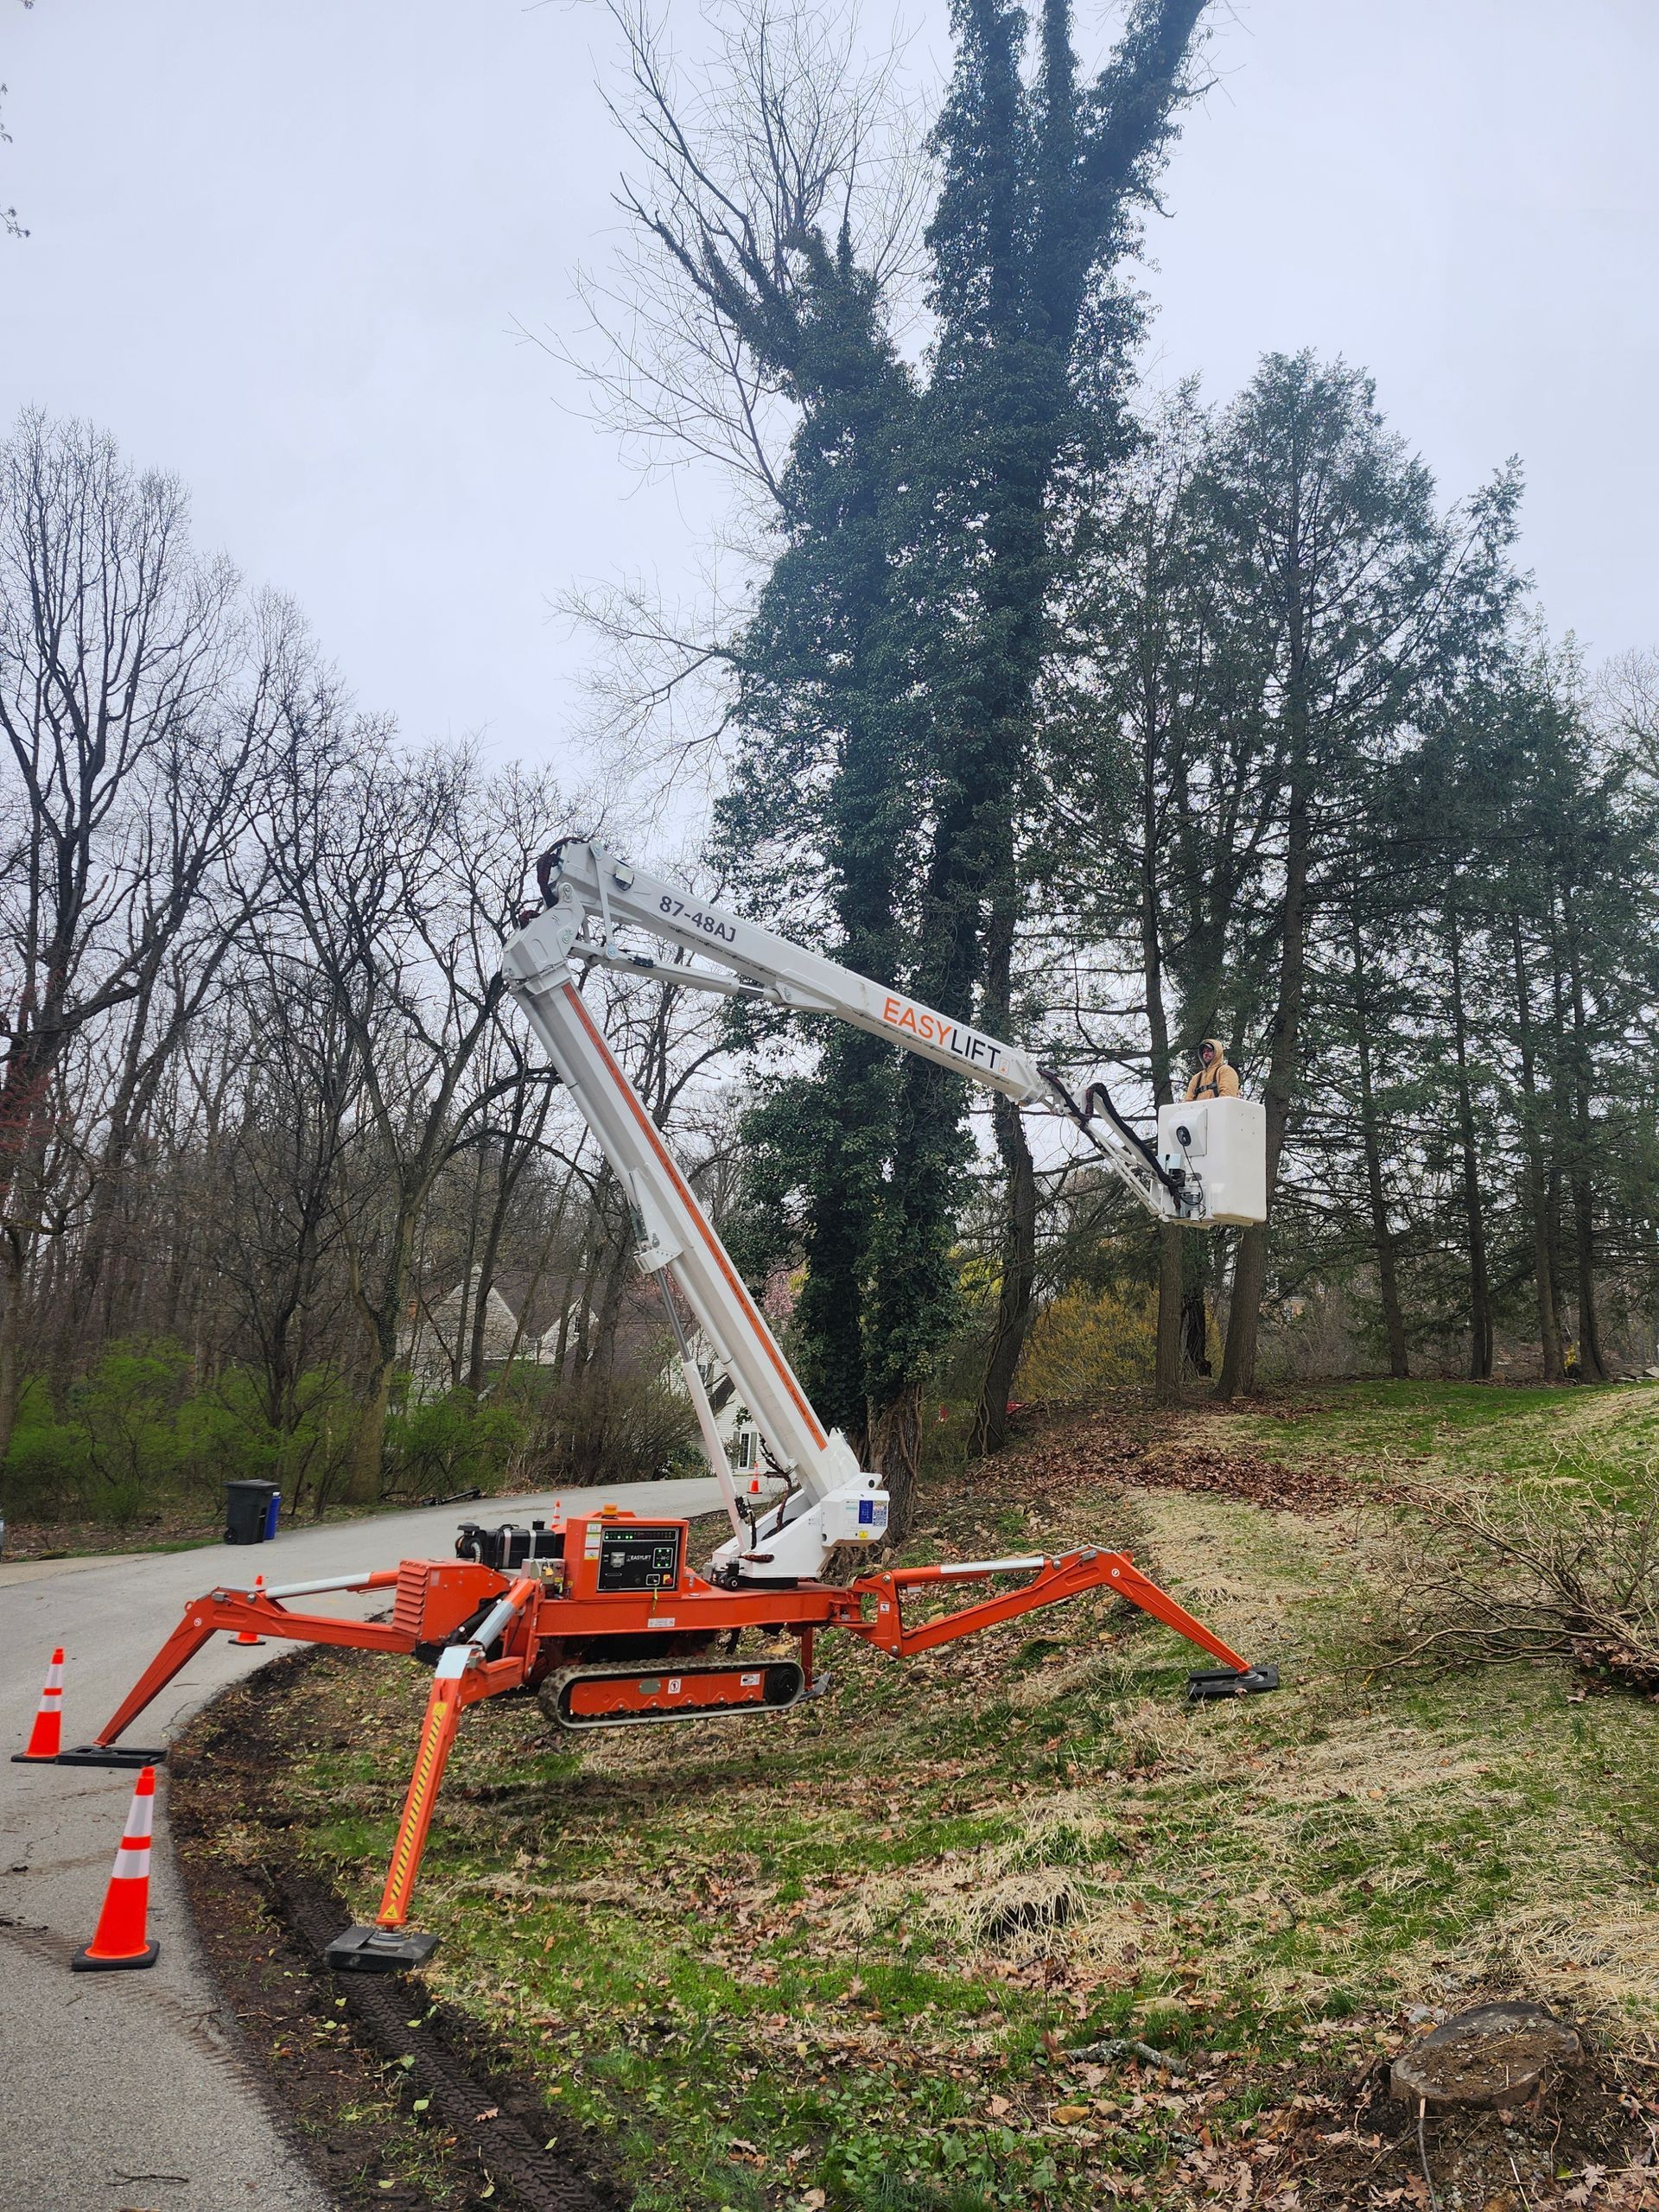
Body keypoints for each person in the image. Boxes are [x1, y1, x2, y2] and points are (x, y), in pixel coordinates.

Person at [1185, 1038, 1240, 1102]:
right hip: (1199, 1111)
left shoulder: (1225, 1071)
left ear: (1217, 1052)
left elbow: (1227, 1097)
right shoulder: (1196, 1078)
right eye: (1204, 1052)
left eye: (1209, 1050)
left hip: (1219, 1110)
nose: (1206, 1054)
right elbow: (1188, 1103)